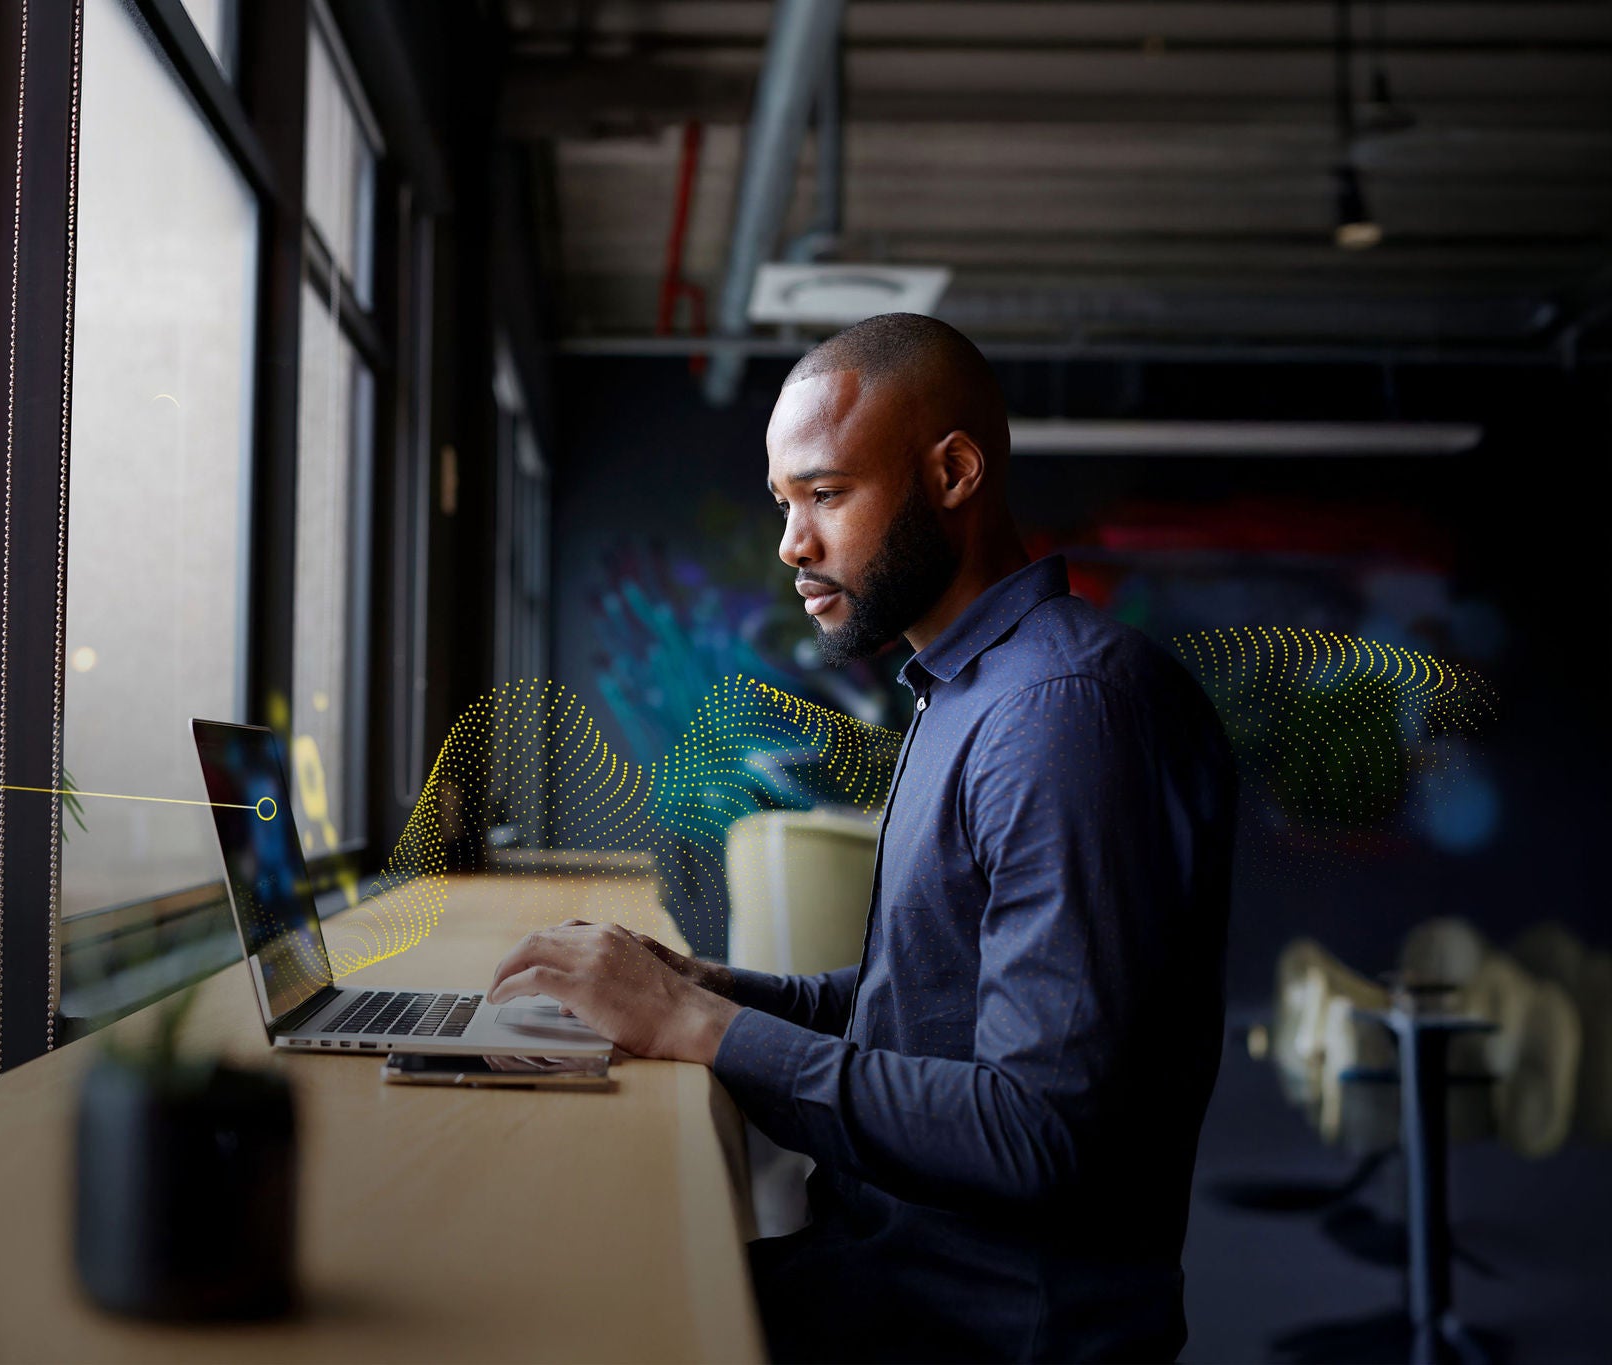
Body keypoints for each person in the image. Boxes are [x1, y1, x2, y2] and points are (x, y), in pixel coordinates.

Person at [490, 314, 1237, 1362]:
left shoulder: (1064, 712)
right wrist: (698, 985)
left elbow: (1040, 1130)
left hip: (981, 1333)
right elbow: (922, 1004)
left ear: (953, 472)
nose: (791, 544)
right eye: (784, 504)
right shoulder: (968, 693)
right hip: (880, 1279)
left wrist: (695, 1030)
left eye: (826, 495)